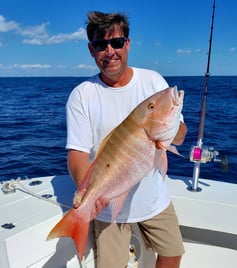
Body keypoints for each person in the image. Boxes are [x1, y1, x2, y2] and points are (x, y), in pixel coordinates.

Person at [66, 11, 187, 268]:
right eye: (101, 45)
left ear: (128, 44)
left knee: (173, 252)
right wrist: (86, 190)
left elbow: (181, 136)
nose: (110, 51)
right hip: (109, 206)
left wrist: (170, 127)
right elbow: (76, 152)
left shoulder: (153, 81)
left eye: (117, 43)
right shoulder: (82, 95)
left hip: (154, 201)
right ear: (91, 50)